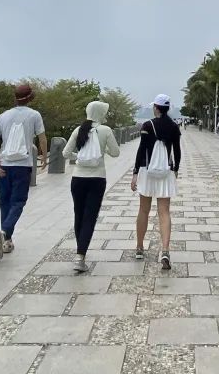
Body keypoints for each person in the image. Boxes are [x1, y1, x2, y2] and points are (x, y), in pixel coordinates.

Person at [0, 83, 47, 260]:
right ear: (30, 98)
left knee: (5, 202)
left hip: (4, 164)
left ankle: (7, 241)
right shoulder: (34, 115)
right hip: (22, 165)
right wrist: (44, 156)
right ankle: (4, 233)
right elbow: (42, 138)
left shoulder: (4, 115)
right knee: (18, 202)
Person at [63, 100, 120, 273]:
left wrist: (81, 157)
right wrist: (101, 152)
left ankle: (80, 251)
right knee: (90, 216)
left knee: (79, 215)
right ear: (100, 113)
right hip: (97, 179)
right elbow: (116, 153)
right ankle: (80, 256)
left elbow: (66, 153)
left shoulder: (78, 130)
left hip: (77, 178)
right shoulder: (106, 130)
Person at [131, 94, 182, 269]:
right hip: (166, 171)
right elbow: (177, 151)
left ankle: (139, 247)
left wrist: (135, 173)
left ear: (156, 107)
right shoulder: (174, 126)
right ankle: (165, 250)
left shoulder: (147, 125)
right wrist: (176, 170)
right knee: (164, 212)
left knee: (143, 210)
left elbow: (141, 150)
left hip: (147, 171)